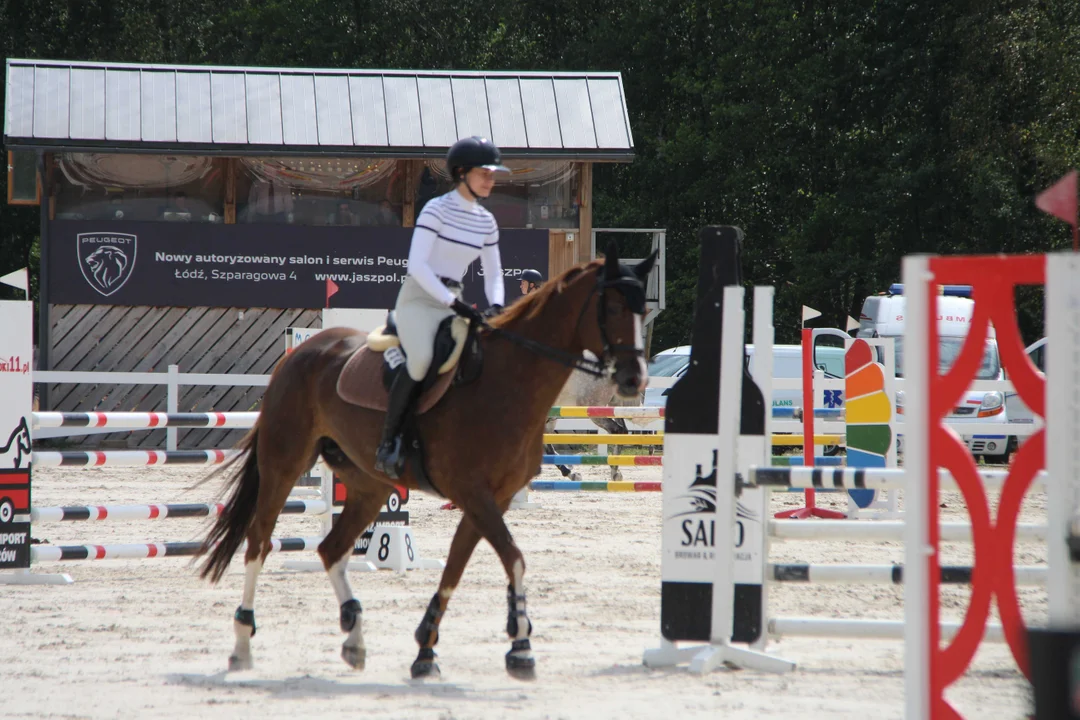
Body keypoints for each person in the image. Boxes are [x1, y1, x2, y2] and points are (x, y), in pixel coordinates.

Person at [374, 136, 510, 479]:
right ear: (461, 173)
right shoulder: (435, 209)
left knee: (482, 359)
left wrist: (496, 305)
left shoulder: (486, 222)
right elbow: (415, 265)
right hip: (420, 297)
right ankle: (388, 443)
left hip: (454, 301)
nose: (491, 180)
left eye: (493, 174)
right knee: (420, 362)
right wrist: (454, 303)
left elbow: (494, 272)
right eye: (485, 173)